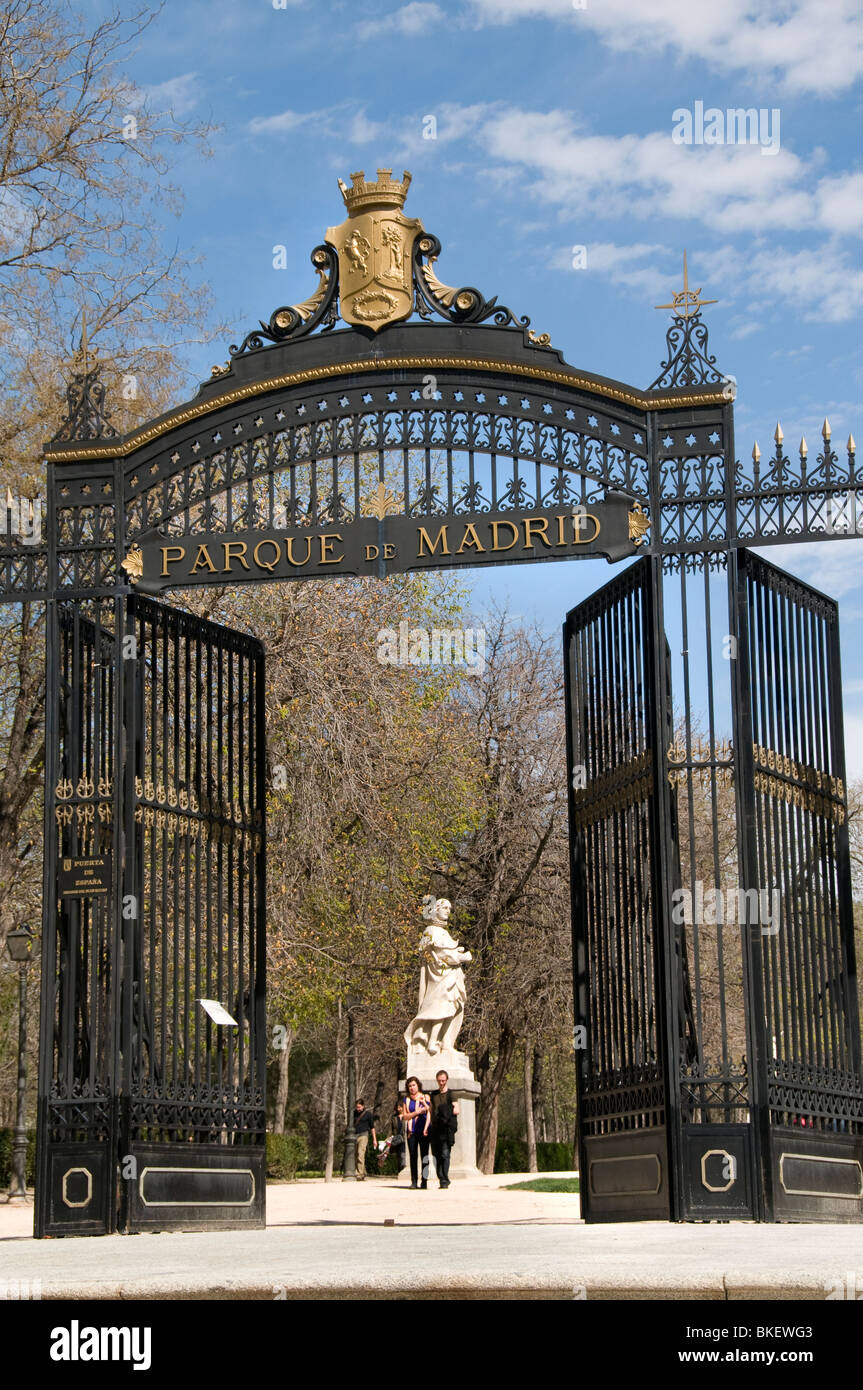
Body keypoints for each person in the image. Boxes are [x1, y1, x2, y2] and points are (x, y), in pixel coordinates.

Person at [429, 1069, 459, 1189]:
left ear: (447, 1080)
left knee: (445, 1154)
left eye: (443, 1080)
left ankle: (444, 1179)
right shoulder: (433, 1094)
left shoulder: (451, 1094)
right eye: (439, 1080)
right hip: (435, 1128)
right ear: (437, 1080)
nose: (441, 1083)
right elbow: (430, 1110)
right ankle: (441, 1176)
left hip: (446, 1129)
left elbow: (457, 1109)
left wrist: (446, 1112)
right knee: (436, 1155)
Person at [399, 1076, 430, 1189]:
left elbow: (428, 1110)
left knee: (424, 1156)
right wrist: (416, 1112)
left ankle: (424, 1181)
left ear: (418, 1085)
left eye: (414, 1085)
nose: (412, 1088)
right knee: (413, 1156)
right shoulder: (406, 1099)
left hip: (423, 1130)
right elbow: (405, 1116)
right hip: (411, 1131)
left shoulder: (425, 1096)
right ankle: (414, 1181)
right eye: (410, 1086)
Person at [353, 1099, 376, 1181]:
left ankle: (359, 1174)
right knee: (356, 1155)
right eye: (356, 1107)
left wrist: (374, 1139)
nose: (358, 1109)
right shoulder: (354, 1113)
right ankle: (363, 1172)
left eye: (359, 1107)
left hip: (363, 1135)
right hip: (355, 1136)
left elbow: (372, 1127)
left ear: (363, 1106)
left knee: (360, 1154)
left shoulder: (368, 1114)